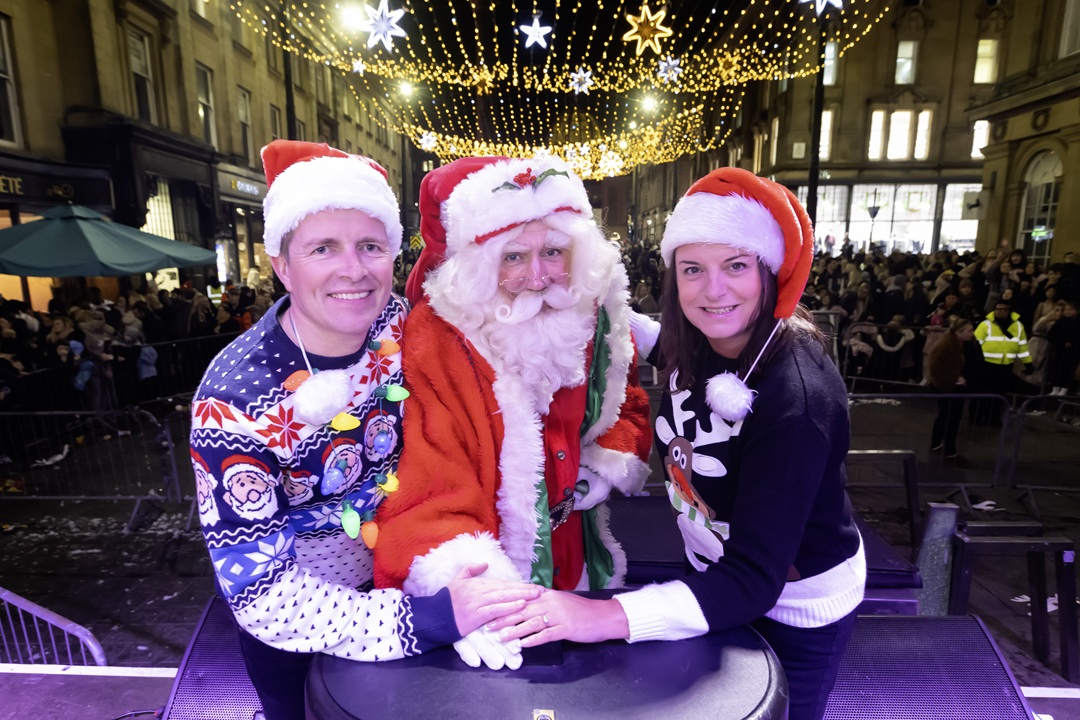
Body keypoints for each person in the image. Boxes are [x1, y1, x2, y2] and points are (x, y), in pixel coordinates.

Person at [490, 168, 865, 720]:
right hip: (711, 578)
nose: (714, 290)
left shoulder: (796, 399)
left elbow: (754, 579)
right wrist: (572, 296)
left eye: (736, 265)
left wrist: (600, 616)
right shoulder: (706, 337)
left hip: (791, 608)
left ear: (770, 270)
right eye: (693, 269)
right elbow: (649, 336)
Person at [189, 141, 538, 720]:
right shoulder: (233, 402)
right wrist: (433, 618)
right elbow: (262, 595)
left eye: (370, 246)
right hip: (304, 634)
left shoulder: (398, 323)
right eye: (323, 248)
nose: (353, 269)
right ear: (282, 264)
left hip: (406, 580)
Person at [372, 156, 653, 668]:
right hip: (493, 565)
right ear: (482, 264)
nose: (538, 277)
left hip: (580, 556)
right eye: (514, 257)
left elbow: (628, 401)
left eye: (553, 252)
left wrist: (606, 459)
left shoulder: (598, 315)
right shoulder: (439, 337)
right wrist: (479, 593)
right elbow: (429, 478)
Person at [927, 317, 981, 463]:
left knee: (946, 416)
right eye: (969, 331)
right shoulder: (946, 346)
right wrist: (954, 379)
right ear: (958, 332)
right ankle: (949, 452)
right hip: (946, 387)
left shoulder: (966, 344)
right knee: (951, 417)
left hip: (953, 386)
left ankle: (937, 445)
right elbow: (935, 366)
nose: (972, 333)